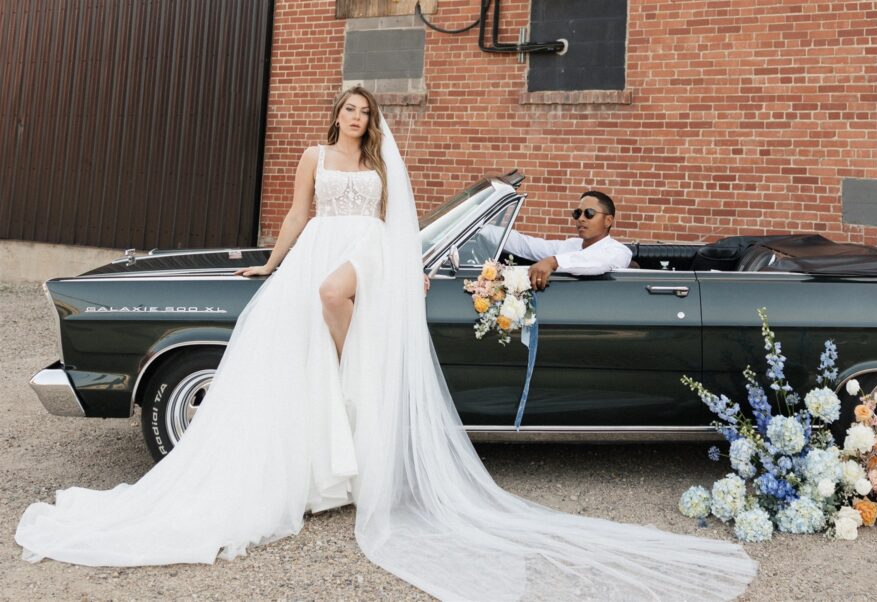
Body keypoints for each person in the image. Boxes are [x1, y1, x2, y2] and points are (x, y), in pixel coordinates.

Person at [16, 87, 757, 600]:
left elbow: (424, 234)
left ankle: (338, 393)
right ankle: (330, 404)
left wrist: (519, 264)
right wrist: (269, 265)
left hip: (367, 259)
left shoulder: (387, 171)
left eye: (364, 111)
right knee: (314, 308)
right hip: (325, 257)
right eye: (349, 108)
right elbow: (300, 213)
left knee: (336, 305)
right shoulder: (319, 157)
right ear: (336, 114)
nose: (355, 116)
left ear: (372, 122)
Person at [503, 190, 633, 290]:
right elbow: (526, 245)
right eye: (577, 213)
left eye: (589, 213)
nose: (581, 219)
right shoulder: (571, 244)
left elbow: (597, 261)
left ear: (608, 220)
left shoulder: (619, 251)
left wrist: (554, 262)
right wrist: (486, 229)